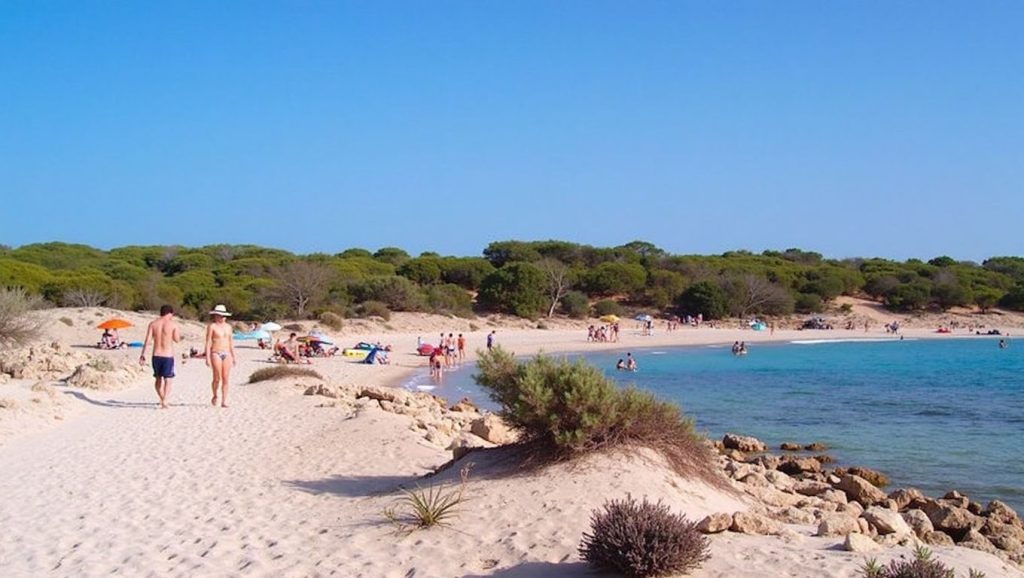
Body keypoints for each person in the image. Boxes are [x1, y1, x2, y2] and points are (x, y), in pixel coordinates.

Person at [139, 305, 182, 409]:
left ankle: (162, 398)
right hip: (167, 355)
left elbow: (148, 340)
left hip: (156, 355)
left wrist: (143, 354)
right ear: (170, 313)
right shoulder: (173, 325)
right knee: (168, 379)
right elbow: (177, 340)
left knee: (158, 378)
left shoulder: (153, 324)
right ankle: (165, 399)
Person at [204, 304, 237, 408]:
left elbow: (231, 341)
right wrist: (207, 357)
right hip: (216, 352)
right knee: (217, 377)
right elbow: (208, 342)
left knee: (226, 378)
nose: (222, 318)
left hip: (227, 352)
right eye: (219, 315)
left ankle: (224, 400)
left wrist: (234, 355)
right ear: (215, 316)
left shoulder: (228, 327)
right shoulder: (212, 326)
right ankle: (215, 395)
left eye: (223, 316)